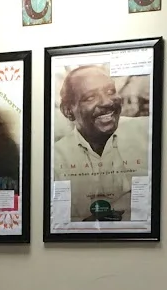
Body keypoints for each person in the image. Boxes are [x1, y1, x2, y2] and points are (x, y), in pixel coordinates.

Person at [51, 63, 150, 223]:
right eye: (90, 97)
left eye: (110, 91)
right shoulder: (55, 159)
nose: (107, 102)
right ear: (68, 111)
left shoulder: (147, 132)